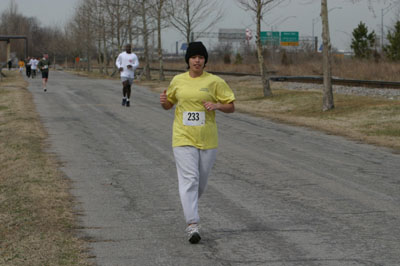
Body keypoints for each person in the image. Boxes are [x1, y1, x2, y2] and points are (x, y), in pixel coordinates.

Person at [159, 42, 235, 244]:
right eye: (193, 57)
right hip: (182, 137)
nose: (197, 60)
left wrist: (217, 105)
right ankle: (192, 224)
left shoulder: (215, 82)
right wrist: (164, 101)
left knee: (199, 184)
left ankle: (189, 204)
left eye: (201, 57)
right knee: (190, 179)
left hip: (207, 139)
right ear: (188, 60)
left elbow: (231, 106)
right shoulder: (178, 80)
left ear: (205, 61)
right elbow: (169, 104)